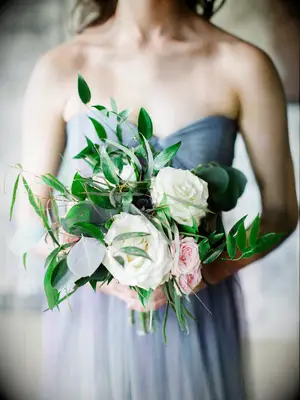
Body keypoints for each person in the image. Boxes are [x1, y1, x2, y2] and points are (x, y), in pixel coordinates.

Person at [20, 0, 298, 399]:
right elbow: (33, 216)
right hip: (94, 323)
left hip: (197, 312)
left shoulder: (244, 65)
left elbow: (282, 212)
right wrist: (103, 276)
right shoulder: (60, 66)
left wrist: (203, 272)